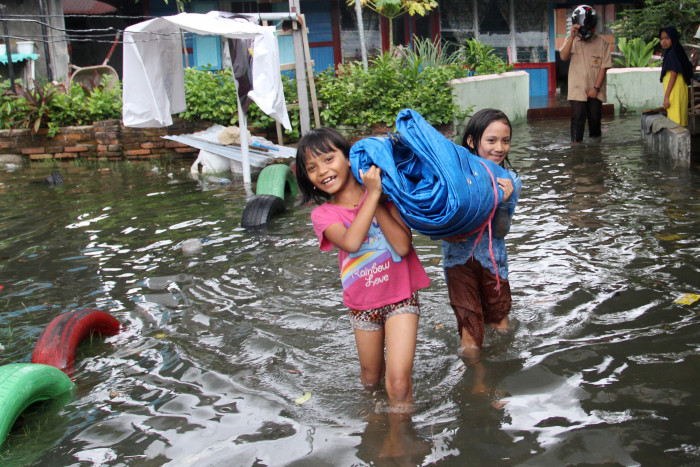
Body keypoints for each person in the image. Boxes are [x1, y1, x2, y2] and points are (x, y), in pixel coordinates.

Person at [295, 127, 431, 458]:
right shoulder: (323, 214)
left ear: (349, 156)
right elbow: (352, 241)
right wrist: (370, 196)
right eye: (312, 167)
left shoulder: (387, 195)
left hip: (401, 298)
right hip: (363, 308)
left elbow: (401, 246)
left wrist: (378, 194)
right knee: (371, 379)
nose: (323, 171)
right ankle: (375, 424)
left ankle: (398, 439)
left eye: (329, 159)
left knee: (398, 382)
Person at [441, 109, 522, 394]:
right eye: (491, 140)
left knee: (499, 321)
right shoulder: (455, 178)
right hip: (458, 263)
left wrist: (503, 201)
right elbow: (443, 226)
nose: (499, 148)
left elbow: (500, 233)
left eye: (505, 141)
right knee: (469, 326)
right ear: (473, 141)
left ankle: (500, 375)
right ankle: (477, 381)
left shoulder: (510, 181)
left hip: (493, 263)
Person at [559, 5, 612, 143]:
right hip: (577, 89)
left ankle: (595, 150)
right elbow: (564, 57)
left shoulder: (603, 43)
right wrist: (571, 37)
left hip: (595, 89)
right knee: (577, 118)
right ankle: (576, 149)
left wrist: (596, 89)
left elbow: (604, 68)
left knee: (595, 119)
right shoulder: (571, 41)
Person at [659, 26, 694, 126]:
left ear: (673, 38)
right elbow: (689, 69)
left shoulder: (672, 54)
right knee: (680, 120)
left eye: (667, 38)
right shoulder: (677, 51)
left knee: (674, 121)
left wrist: (666, 97)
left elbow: (673, 75)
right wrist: (694, 61)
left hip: (674, 91)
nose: (664, 41)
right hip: (680, 90)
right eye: (662, 39)